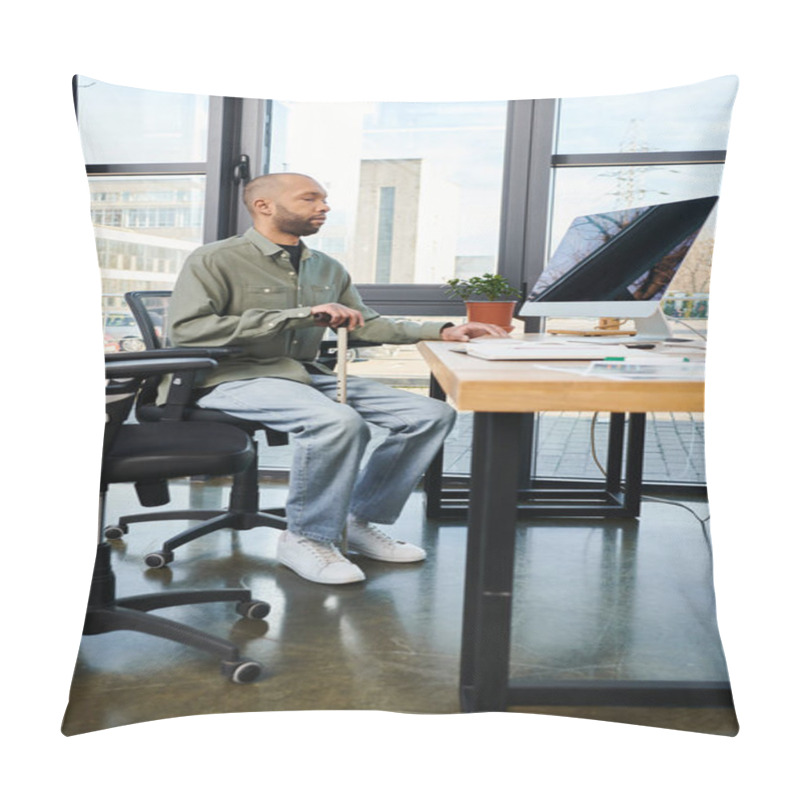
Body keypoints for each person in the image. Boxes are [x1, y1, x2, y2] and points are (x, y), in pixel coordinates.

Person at [165, 172, 509, 585]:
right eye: (310, 199)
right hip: (232, 377)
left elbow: (368, 326)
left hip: (304, 376)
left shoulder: (326, 268)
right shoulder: (215, 259)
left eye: (324, 199)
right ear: (264, 206)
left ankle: (359, 520)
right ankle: (305, 538)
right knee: (338, 422)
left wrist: (444, 331)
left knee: (430, 413)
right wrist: (299, 316)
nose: (324, 207)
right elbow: (188, 330)